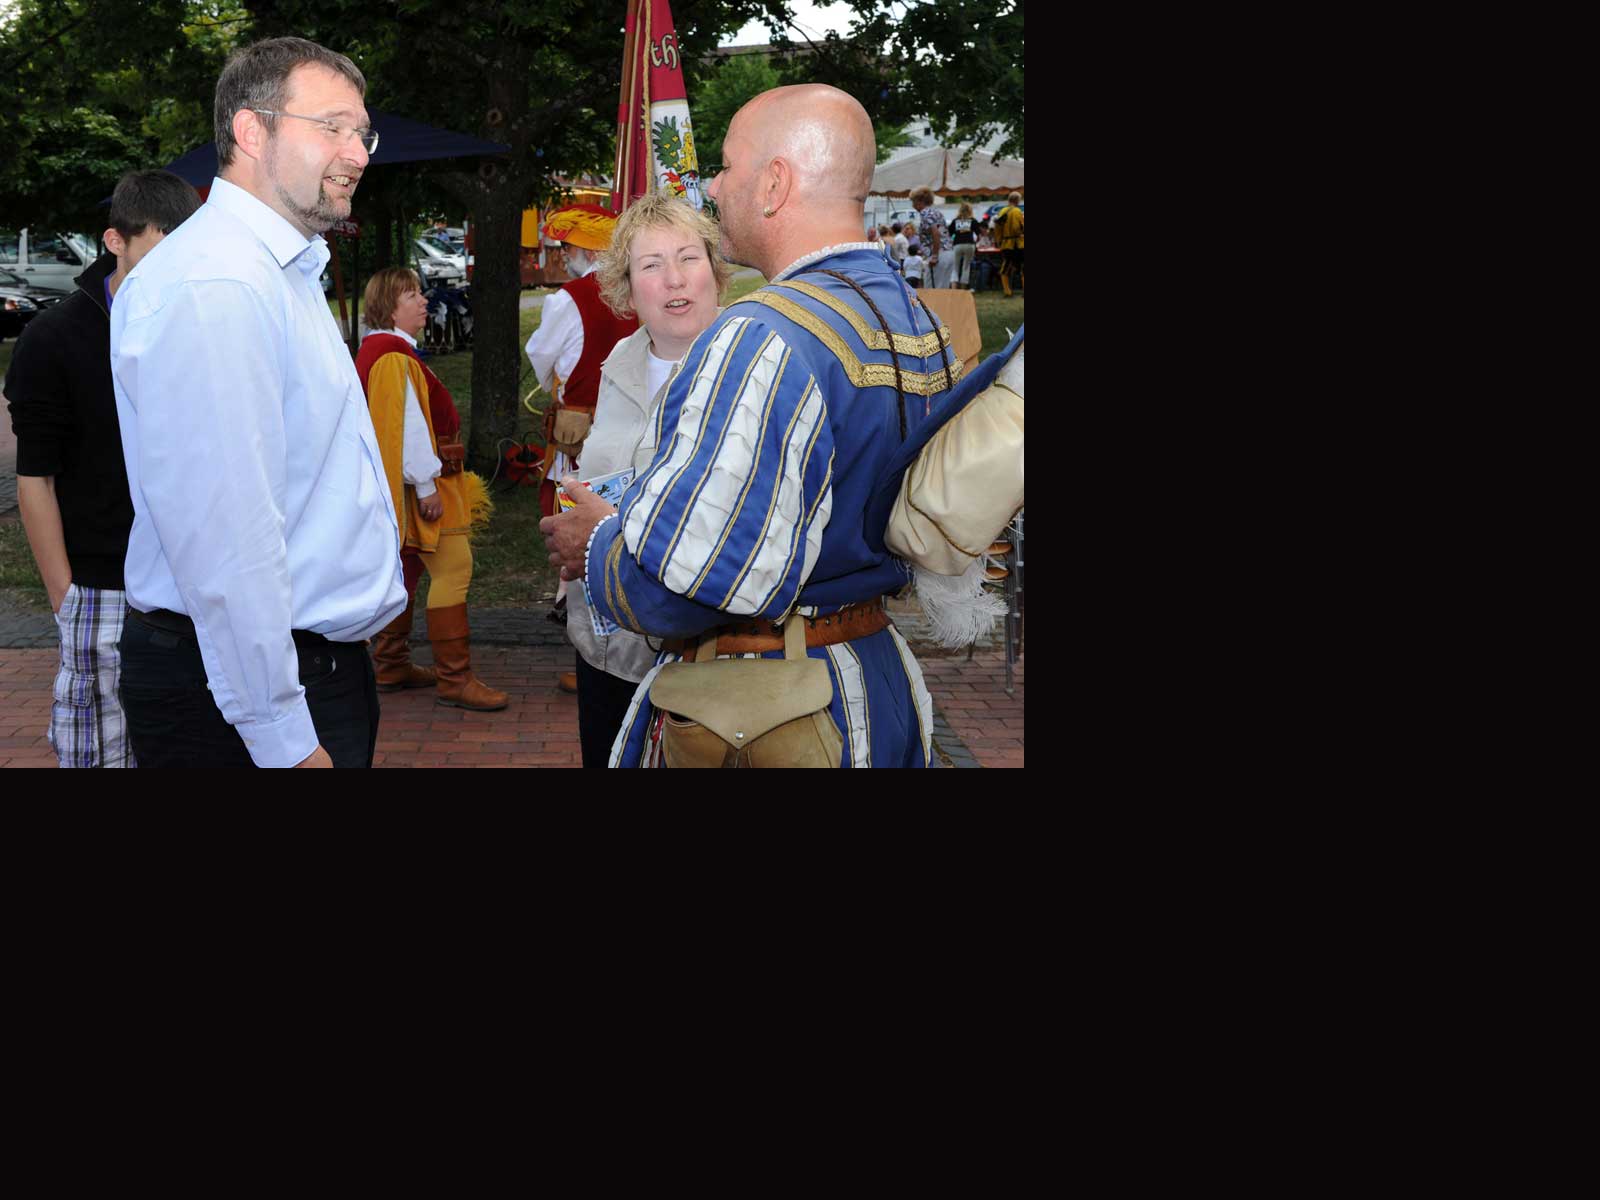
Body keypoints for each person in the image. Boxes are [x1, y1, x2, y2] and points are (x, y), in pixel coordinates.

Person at [540, 83, 964, 768]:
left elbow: (689, 589)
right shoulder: (915, 319)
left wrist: (596, 544)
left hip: (774, 712)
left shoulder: (761, 335)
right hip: (871, 682)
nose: (714, 184)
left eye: (728, 165)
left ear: (773, 184)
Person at [109, 36, 408, 768]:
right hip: (244, 694)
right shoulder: (220, 283)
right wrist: (282, 738)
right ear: (252, 130)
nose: (358, 152)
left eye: (362, 132)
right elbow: (228, 540)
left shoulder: (276, 271)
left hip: (289, 672)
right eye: (332, 127)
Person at [5, 169, 202, 768]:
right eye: (160, 249)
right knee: (99, 756)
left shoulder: (202, 327)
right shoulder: (54, 337)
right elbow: (35, 477)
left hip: (195, 585)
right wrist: (65, 595)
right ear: (115, 240)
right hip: (101, 587)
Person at [568, 191, 732, 765]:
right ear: (627, 286)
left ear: (715, 270)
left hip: (702, 655)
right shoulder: (621, 361)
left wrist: (606, 528)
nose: (674, 279)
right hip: (606, 646)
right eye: (651, 265)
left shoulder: (747, 364)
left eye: (688, 258)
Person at [357, 267, 505, 711]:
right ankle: (455, 679)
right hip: (423, 486)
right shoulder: (392, 356)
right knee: (454, 569)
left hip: (403, 487)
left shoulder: (379, 350)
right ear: (390, 308)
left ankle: (390, 664)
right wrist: (425, 486)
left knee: (406, 570)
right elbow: (405, 429)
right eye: (412, 296)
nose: (423, 302)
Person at [523, 202, 639, 685]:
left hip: (579, 437)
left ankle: (592, 653)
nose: (565, 256)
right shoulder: (636, 287)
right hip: (632, 429)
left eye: (568, 248)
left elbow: (541, 356)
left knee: (576, 533)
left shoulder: (568, 298)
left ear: (585, 250)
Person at [910, 185, 951, 289]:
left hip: (938, 255)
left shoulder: (925, 213)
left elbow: (935, 233)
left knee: (932, 289)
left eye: (913, 202)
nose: (913, 205)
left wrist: (934, 256)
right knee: (943, 289)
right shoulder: (936, 212)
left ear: (919, 201)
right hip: (948, 252)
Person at [993, 191, 1025, 297]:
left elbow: (997, 228)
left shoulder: (1002, 211)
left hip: (1006, 244)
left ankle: (1007, 292)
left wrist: (998, 241)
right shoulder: (1017, 211)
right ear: (1017, 200)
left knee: (1006, 267)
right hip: (1019, 243)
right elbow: (1020, 227)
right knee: (1023, 267)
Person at [950, 202, 977, 289]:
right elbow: (978, 232)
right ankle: (963, 288)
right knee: (966, 267)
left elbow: (950, 233)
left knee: (955, 267)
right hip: (969, 244)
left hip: (957, 244)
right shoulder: (973, 220)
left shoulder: (955, 221)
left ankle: (954, 288)